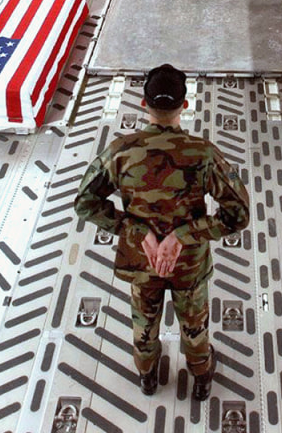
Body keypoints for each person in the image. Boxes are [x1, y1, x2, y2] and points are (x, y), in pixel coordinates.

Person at [74, 64, 250, 400]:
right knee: (194, 326)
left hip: (142, 262)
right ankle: (201, 378)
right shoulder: (203, 154)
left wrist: (136, 230)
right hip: (188, 265)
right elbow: (238, 214)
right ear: (185, 105)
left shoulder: (121, 152)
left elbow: (85, 203)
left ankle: (147, 376)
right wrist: (183, 235)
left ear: (144, 103)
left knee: (144, 325)